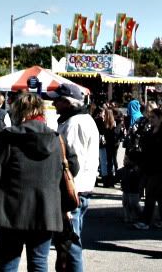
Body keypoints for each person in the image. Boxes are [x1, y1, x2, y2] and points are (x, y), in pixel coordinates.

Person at [0, 93, 78, 272]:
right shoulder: (56, 139)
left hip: (11, 210)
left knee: (8, 261)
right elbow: (73, 168)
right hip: (46, 210)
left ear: (19, 112)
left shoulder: (8, 137)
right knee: (39, 262)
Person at [49, 83, 99, 272]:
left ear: (68, 102)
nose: (54, 104)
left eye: (58, 101)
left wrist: (66, 198)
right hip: (81, 189)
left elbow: (71, 165)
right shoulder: (84, 120)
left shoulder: (74, 123)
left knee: (70, 244)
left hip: (74, 191)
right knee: (69, 243)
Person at [133, 107, 162, 229]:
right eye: (150, 117)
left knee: (150, 193)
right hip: (150, 166)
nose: (151, 120)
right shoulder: (150, 131)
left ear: (160, 118)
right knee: (159, 194)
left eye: (153, 117)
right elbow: (145, 147)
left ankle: (145, 221)